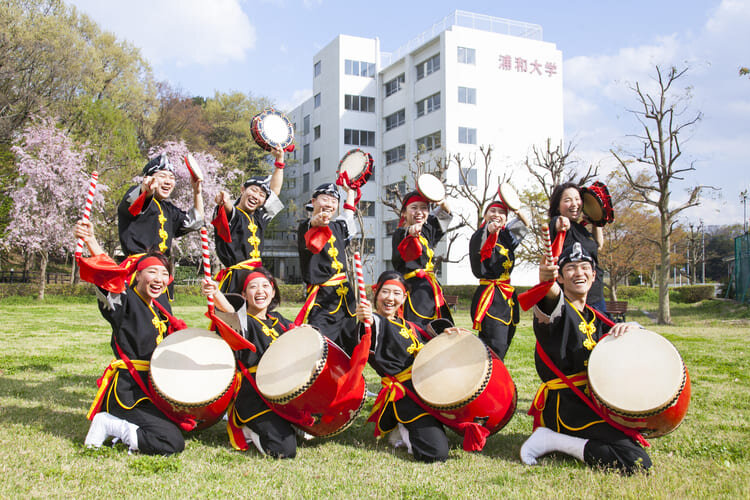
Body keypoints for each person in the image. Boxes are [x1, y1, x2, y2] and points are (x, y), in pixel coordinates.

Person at [519, 242, 652, 474]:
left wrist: (633, 327)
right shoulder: (558, 312)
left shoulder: (598, 316)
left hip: (596, 402)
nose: (578, 273)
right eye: (570, 268)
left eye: (584, 267)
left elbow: (627, 347)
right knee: (636, 461)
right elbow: (551, 297)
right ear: (560, 277)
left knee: (631, 438)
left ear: (593, 275)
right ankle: (551, 440)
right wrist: (546, 282)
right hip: (568, 406)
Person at [76, 219, 186, 455]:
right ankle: (108, 424)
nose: (159, 278)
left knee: (182, 426)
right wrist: (91, 241)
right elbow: (110, 278)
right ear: (137, 276)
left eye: (164, 274)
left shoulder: (160, 310)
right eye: (152, 272)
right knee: (171, 442)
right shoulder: (124, 302)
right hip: (129, 391)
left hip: (152, 388)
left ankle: (120, 434)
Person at [202, 268, 297, 458]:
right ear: (244, 295)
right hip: (255, 397)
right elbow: (232, 315)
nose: (260, 291)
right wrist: (216, 294)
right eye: (253, 287)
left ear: (272, 291)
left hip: (283, 394)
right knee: (284, 450)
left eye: (265, 286)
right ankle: (247, 430)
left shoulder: (279, 321)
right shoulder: (244, 322)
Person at [356, 270, 449, 463]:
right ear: (376, 294)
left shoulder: (410, 326)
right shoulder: (373, 323)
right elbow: (371, 329)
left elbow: (431, 337)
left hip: (429, 391)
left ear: (404, 297)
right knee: (435, 453)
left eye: (397, 293)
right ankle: (401, 427)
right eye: (385, 292)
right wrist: (366, 319)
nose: (390, 298)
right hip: (407, 397)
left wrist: (449, 333)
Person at [212, 146, 286, 294]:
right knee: (234, 315)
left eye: (261, 195)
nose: (256, 196)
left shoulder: (259, 217)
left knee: (258, 315)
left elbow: (275, 192)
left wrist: (279, 161)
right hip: (236, 279)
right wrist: (223, 199)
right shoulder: (233, 214)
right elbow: (226, 207)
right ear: (242, 190)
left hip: (257, 277)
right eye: (253, 190)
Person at [296, 182, 358, 351]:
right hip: (323, 298)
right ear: (313, 201)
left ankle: (350, 378)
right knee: (319, 345)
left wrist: (350, 193)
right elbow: (312, 224)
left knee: (350, 344)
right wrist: (316, 221)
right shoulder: (305, 227)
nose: (329, 204)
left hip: (346, 297)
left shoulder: (338, 225)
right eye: (325, 199)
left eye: (333, 201)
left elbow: (349, 215)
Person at [469, 198, 529, 360]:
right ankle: (489, 376)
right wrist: (489, 230)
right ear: (485, 214)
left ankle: (496, 374)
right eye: (493, 211)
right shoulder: (479, 235)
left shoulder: (506, 236)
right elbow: (480, 249)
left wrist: (516, 209)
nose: (497, 215)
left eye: (502, 212)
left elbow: (525, 224)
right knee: (494, 344)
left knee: (506, 340)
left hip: (506, 296)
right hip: (491, 297)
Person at [118, 153, 204, 259]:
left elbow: (195, 222)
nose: (168, 181)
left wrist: (197, 192)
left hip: (161, 268)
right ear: (148, 178)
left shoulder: (169, 209)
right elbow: (135, 203)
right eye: (162, 176)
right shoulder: (136, 195)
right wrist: (147, 190)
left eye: (171, 177)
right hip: (138, 268)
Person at [391, 190, 453, 330]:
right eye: (414, 208)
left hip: (431, 288)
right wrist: (411, 233)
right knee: (418, 328)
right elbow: (408, 237)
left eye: (423, 208)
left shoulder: (427, 229)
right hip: (414, 291)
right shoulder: (400, 233)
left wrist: (441, 201)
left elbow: (445, 212)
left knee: (440, 327)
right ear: (404, 213)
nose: (419, 212)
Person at [548, 182, 606, 312]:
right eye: (568, 200)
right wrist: (562, 222)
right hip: (573, 298)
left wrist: (596, 221)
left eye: (577, 199)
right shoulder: (557, 223)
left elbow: (599, 245)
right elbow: (559, 224)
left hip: (596, 295)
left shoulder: (581, 228)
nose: (574, 204)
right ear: (558, 206)